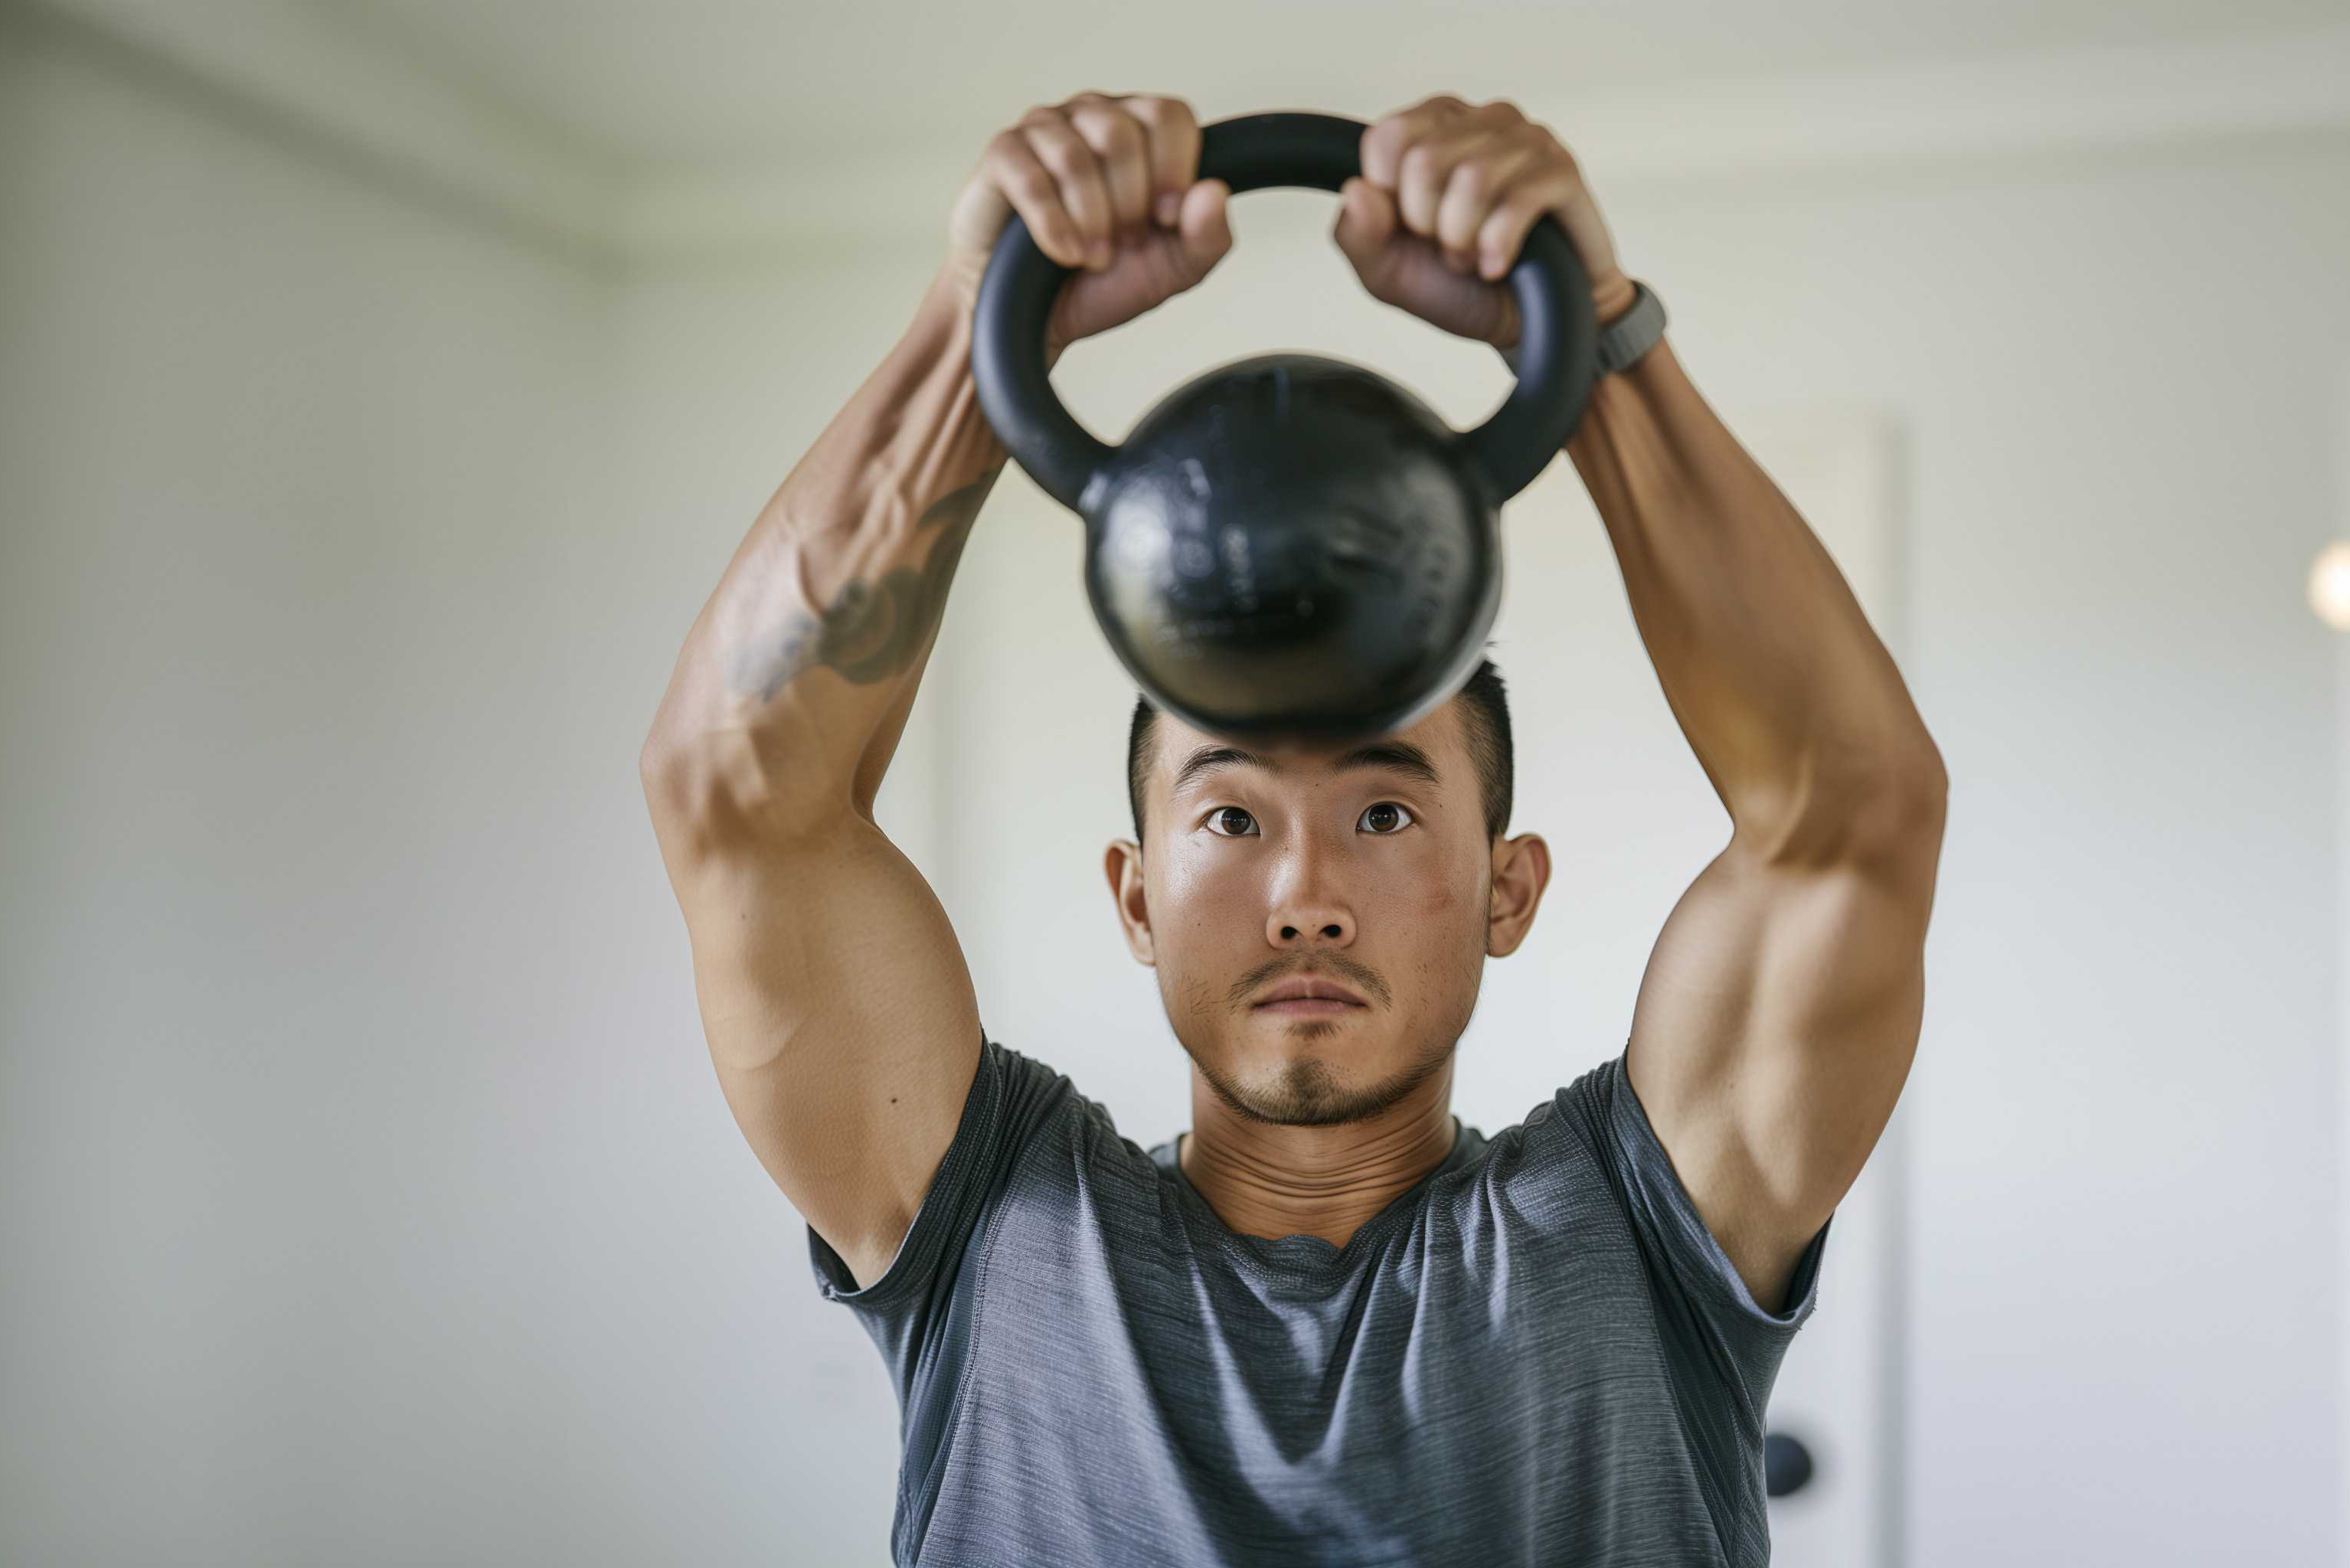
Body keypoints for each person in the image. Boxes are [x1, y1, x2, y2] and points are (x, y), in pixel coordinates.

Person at [639, 90, 1946, 1567]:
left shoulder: (1641, 1231)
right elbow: (735, 789)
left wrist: (1591, 336)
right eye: (1229, 815)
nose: (1305, 895)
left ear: (1506, 888)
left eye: (1382, 811)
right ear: (1135, 897)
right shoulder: (999, 1230)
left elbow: (1852, 809)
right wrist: (975, 331)